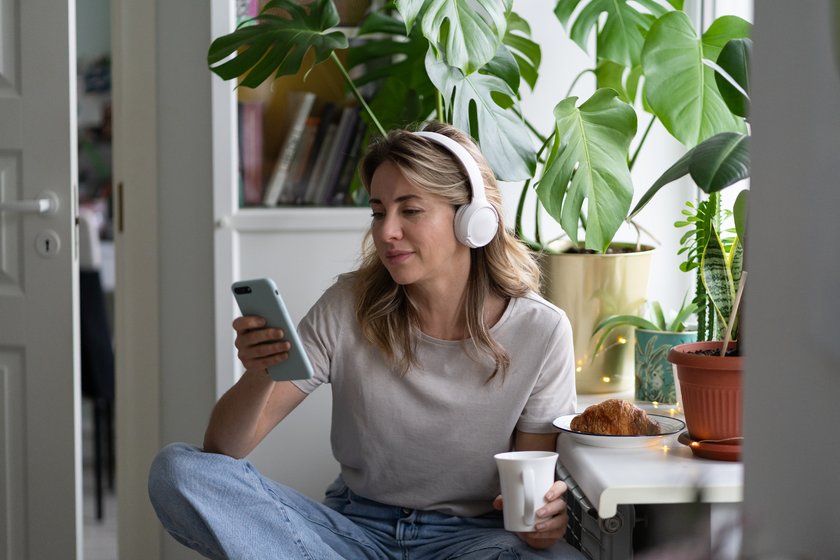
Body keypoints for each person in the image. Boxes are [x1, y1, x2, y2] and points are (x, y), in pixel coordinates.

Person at [148, 122, 583, 559]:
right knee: (178, 470)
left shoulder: (540, 331)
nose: (386, 231)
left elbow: (532, 503)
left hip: (473, 540)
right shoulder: (348, 304)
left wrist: (542, 524)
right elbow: (225, 450)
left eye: (409, 211)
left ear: (474, 220)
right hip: (352, 532)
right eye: (378, 212)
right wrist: (261, 371)